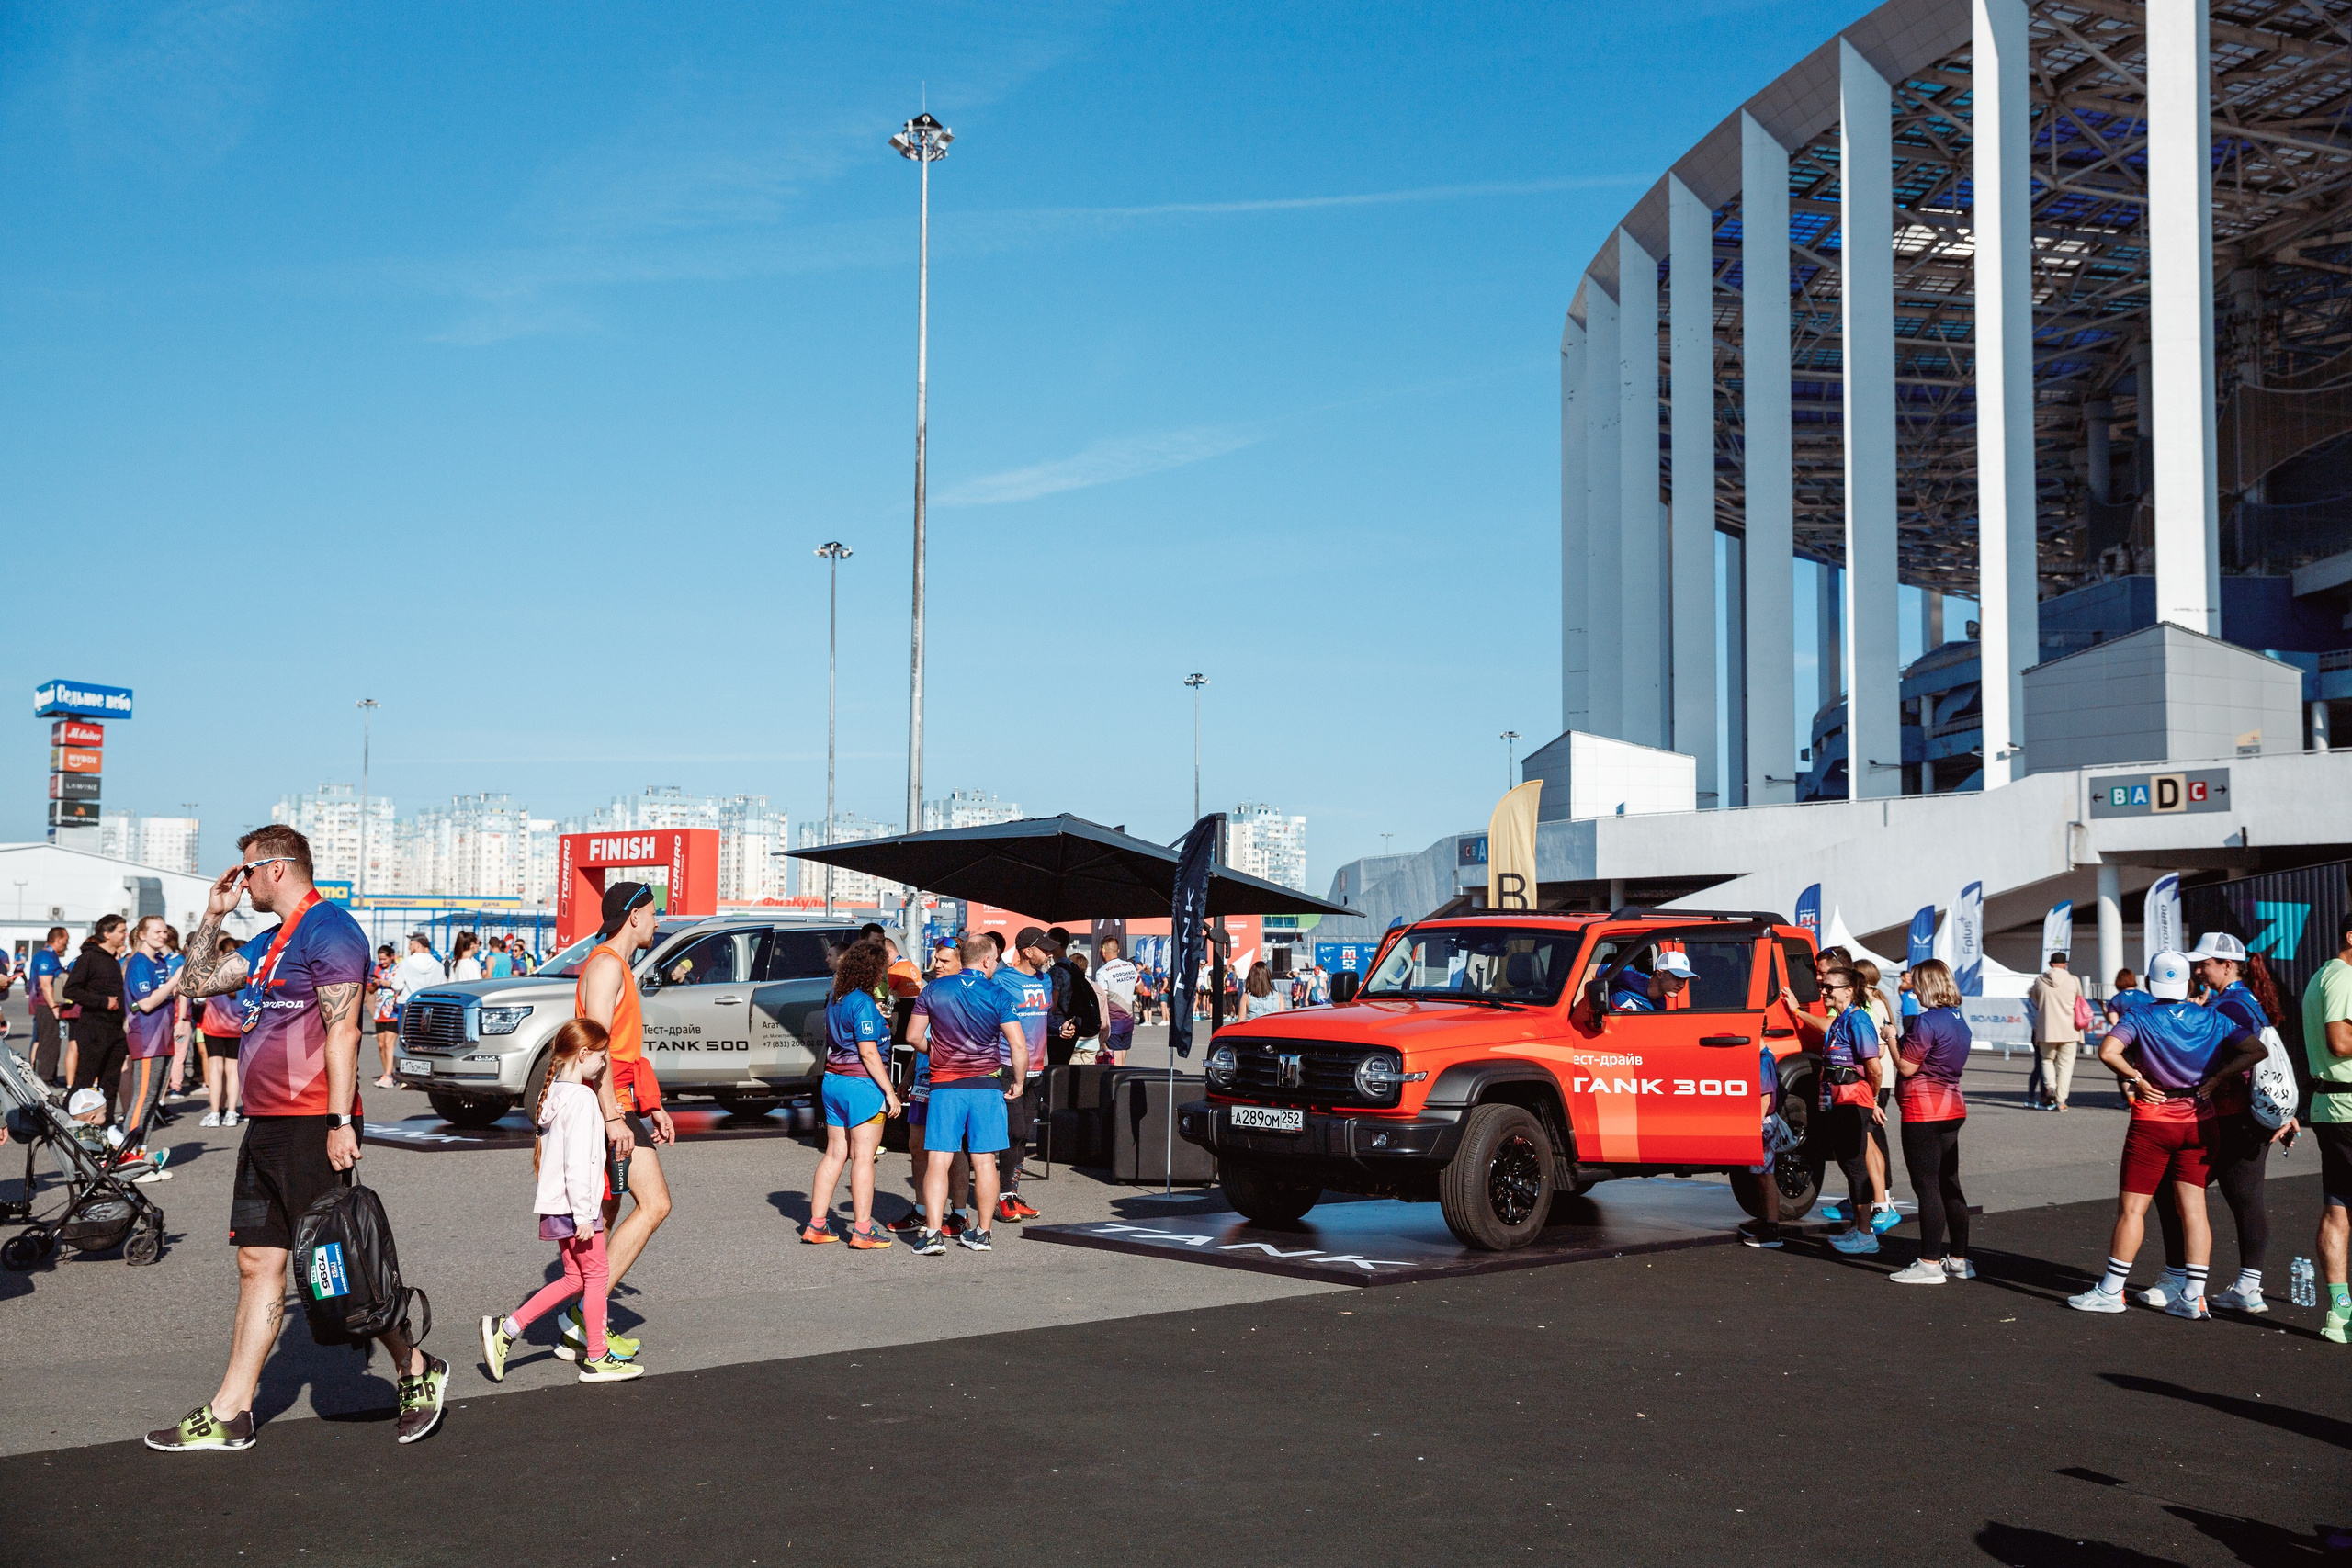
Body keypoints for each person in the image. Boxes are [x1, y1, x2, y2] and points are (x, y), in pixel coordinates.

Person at [147, 825, 448, 1452]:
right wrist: (211, 914)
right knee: (258, 1261)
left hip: (315, 1119)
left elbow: (346, 1032)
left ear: (277, 868)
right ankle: (232, 1410)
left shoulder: (330, 930)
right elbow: (197, 982)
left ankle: (415, 1366)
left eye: (247, 871)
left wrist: (341, 1121)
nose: (242, 880)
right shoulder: (265, 943)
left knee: (334, 1267)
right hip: (266, 1124)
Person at [2065, 951, 2267, 1318]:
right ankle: (2193, 1296)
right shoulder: (2212, 1016)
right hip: (2199, 1119)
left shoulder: (2141, 1016)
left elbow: (2109, 1051)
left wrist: (2137, 1079)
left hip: (2154, 1121)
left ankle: (2112, 1290)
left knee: (2132, 1209)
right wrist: (2218, 1078)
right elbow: (2257, 1049)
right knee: (2194, 1208)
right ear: (2187, 982)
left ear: (2150, 983)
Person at [2139, 932, 2296, 1314]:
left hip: (2228, 1118)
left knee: (2171, 1190)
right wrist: (2285, 1112)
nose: (2199, 970)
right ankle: (2247, 1287)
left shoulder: (2230, 1008)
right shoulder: (2247, 1001)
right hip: (2253, 1118)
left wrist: (2214, 1079)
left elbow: (2238, 1056)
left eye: (2205, 963)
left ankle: (2178, 1280)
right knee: (2246, 1200)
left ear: (2227, 965)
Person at [480, 1017, 643, 1385]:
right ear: (584, 1053)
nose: (604, 1065)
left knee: (574, 1278)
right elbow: (580, 1163)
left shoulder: (553, 1091)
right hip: (577, 1207)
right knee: (597, 1276)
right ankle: (598, 1357)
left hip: (557, 1204)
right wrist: (587, 1214)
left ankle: (506, 1329)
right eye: (601, 1057)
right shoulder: (584, 1099)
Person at [569, 881, 675, 1364]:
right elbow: (599, 1045)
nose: (658, 922)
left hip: (622, 1101)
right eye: (655, 914)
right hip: (607, 1106)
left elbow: (626, 1051)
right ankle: (582, 1314)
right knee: (654, 1204)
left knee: (606, 1213)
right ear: (634, 917)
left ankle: (586, 1317)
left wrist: (651, 1104)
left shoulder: (615, 965)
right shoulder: (610, 964)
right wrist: (615, 1114)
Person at [905, 933, 1027, 1256]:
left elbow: (913, 1036)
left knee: (939, 1159)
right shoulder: (998, 993)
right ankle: (983, 1233)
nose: (997, 964)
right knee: (985, 1161)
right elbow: (1017, 1044)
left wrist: (939, 1052)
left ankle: (932, 1233)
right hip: (987, 1085)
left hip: (946, 1086)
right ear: (986, 960)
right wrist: (1019, 1080)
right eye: (996, 959)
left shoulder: (933, 989)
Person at [801, 939, 901, 1248]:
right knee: (863, 1158)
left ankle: (816, 1224)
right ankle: (862, 1230)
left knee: (835, 1154)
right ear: (873, 971)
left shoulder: (836, 997)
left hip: (833, 1081)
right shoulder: (862, 1002)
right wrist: (891, 1092)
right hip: (862, 1086)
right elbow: (869, 1053)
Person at [1786, 965, 1884, 1256]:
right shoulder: (1841, 1020)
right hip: (1838, 1100)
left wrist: (1874, 1099)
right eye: (1823, 986)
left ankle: (1866, 1235)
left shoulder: (1859, 1020)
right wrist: (1796, 1011)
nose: (1824, 991)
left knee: (1855, 1167)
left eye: (1830, 987)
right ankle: (1859, 1228)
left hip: (1853, 1101)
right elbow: (1823, 1025)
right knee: (1848, 1165)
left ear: (1849, 990)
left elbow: (1874, 1068)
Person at [1888, 959, 1973, 1283]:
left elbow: (1907, 1067)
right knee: (1949, 1183)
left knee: (1927, 1187)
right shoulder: (1958, 1020)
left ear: (1928, 985)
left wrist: (1892, 1038)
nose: (1913, 989)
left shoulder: (1927, 1022)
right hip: (1952, 1106)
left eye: (1916, 984)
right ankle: (1960, 1258)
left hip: (1924, 1110)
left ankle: (1929, 1263)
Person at [2300, 909, 2352, 1344]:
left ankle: (2340, 1314)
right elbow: (2340, 1041)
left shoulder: (2323, 976)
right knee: (2339, 1210)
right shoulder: (2343, 977)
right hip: (2348, 1104)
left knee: (2339, 1209)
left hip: (2332, 1106)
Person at [985, 929, 1053, 1224]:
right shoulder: (1001, 980)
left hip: (1037, 1068)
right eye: (1045, 950)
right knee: (1011, 1133)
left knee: (1024, 1135)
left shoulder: (1045, 980)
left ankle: (1012, 1194)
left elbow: (1040, 1020)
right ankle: (1001, 1198)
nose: (1050, 954)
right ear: (1027, 951)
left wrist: (1059, 1029)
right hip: (1009, 1067)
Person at [117, 916, 181, 1180]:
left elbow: (166, 996)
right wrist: (173, 982)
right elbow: (145, 1003)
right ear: (142, 934)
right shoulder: (138, 963)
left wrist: (171, 987)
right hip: (146, 1038)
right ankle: (127, 1160)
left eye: (165, 931)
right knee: (142, 1099)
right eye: (157, 931)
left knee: (153, 1099)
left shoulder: (161, 961)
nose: (162, 935)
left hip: (163, 1036)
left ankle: (142, 1157)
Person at [1851, 958, 1900, 1236]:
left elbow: (1877, 1050)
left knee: (1872, 1139)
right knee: (1870, 1139)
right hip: (1877, 1079)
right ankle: (1867, 1199)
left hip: (1877, 1081)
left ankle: (1882, 1201)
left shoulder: (1873, 1004)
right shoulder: (1876, 1001)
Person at [63, 916, 130, 1118]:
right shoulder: (90, 958)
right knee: (84, 1081)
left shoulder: (113, 961)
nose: (125, 934)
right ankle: (64, 1121)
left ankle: (106, 1124)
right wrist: (103, 1001)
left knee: (110, 1083)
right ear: (107, 934)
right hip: (93, 1030)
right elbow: (71, 991)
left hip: (115, 1031)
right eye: (121, 931)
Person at [1738, 1035, 1786, 1248]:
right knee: (1760, 1175)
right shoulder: (1766, 1058)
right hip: (1764, 1121)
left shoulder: (1762, 1060)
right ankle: (1766, 1220)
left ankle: (1772, 1230)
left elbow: (1764, 1097)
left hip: (1763, 1123)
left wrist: (1754, 1124)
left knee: (1766, 1176)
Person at [2028, 952, 2085, 1111]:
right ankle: (2061, 1101)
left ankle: (2050, 1086)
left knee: (2047, 1060)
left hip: (2047, 1029)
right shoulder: (2074, 980)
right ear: (2065, 964)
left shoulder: (2039, 981)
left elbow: (2033, 999)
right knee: (2066, 1066)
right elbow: (2079, 999)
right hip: (2070, 1029)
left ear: (2050, 963)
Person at [198, 935, 244, 1127]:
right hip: (237, 1028)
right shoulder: (245, 974)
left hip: (213, 1027)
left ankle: (215, 1113)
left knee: (215, 1070)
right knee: (233, 1071)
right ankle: (232, 1112)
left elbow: (198, 998)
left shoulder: (213, 973)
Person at [29, 926, 71, 1086]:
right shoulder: (46, 957)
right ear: (58, 939)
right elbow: (46, 985)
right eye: (65, 941)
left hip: (46, 1005)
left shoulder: (50, 956)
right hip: (46, 1006)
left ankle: (46, 1078)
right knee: (49, 1044)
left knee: (44, 1042)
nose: (66, 945)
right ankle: (45, 1081)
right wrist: (54, 1007)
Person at [1094, 935, 1140, 1066]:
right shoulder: (1130, 966)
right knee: (1122, 1058)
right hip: (1128, 1020)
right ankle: (1122, 1083)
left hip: (1113, 1021)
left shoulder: (1102, 972)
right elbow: (1141, 989)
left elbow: (1103, 999)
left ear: (1102, 951)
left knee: (1115, 1061)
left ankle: (1116, 1085)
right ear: (1118, 950)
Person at [1609, 950, 1693, 1011]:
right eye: (1677, 977)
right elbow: (1594, 972)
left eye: (1684, 980)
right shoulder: (1628, 976)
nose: (1682, 985)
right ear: (1660, 974)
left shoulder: (1660, 1005)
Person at [368, 944, 401, 1089]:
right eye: (380, 959)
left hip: (393, 1010)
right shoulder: (377, 970)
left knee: (389, 1043)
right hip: (379, 1011)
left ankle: (389, 1074)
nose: (382, 962)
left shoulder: (398, 970)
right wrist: (375, 983)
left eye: (385, 959)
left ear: (391, 957)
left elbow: (400, 986)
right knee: (381, 1045)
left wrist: (388, 983)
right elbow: (370, 989)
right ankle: (387, 1073)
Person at [391, 932, 443, 1010]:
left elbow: (397, 986)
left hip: (408, 1003)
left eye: (411, 944)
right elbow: (442, 987)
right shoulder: (438, 965)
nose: (409, 947)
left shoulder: (406, 963)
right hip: (431, 1004)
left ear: (418, 945)